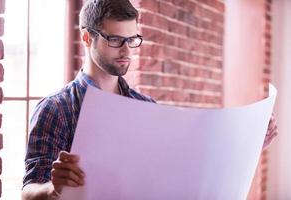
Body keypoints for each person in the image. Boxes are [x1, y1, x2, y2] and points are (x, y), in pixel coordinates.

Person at [21, 0, 278, 199]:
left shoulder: (145, 107)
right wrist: (53, 189)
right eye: (115, 40)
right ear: (87, 38)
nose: (126, 51)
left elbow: (182, 171)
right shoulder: (55, 108)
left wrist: (249, 145)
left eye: (132, 40)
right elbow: (28, 192)